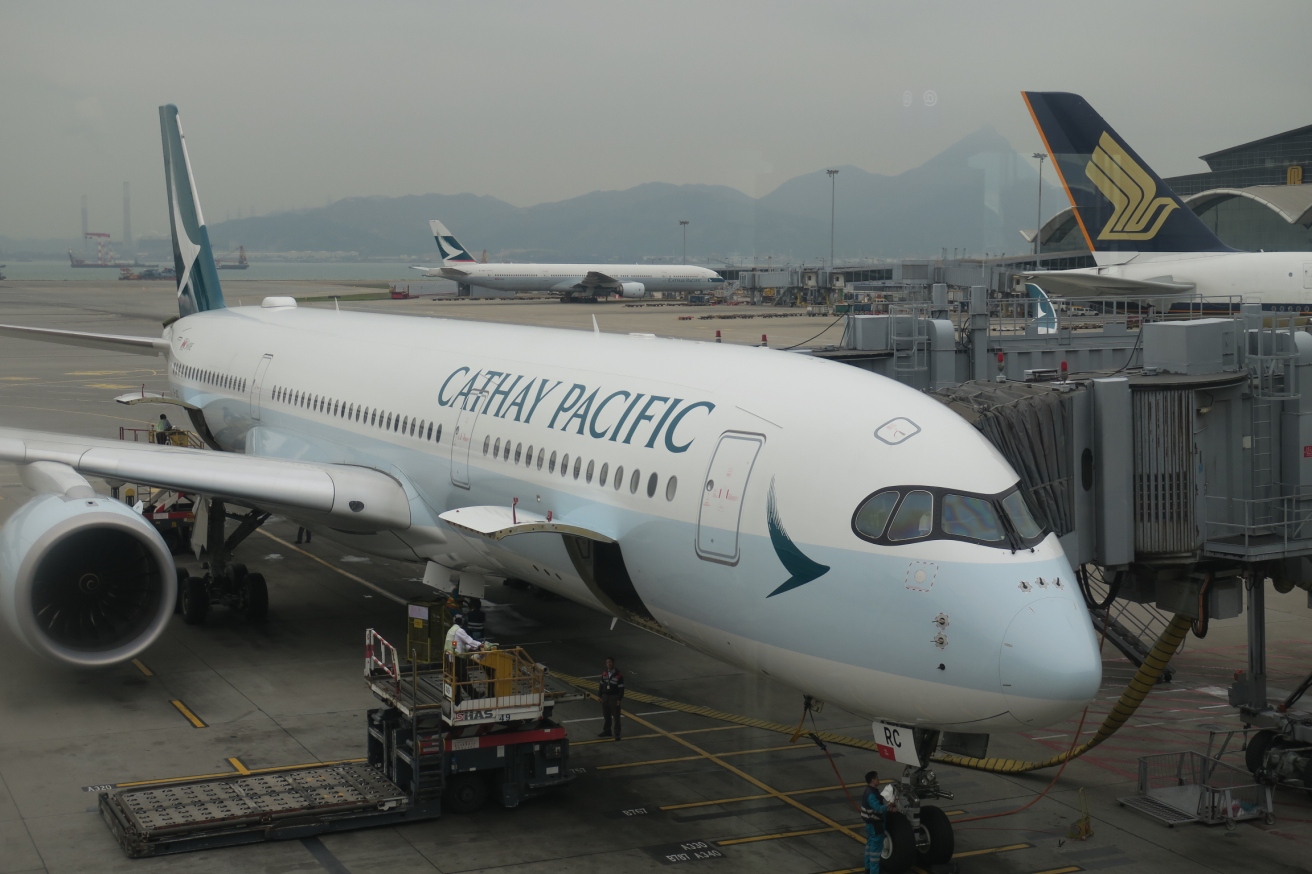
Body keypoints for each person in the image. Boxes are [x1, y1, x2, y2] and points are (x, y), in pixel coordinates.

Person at [444, 614, 483, 701]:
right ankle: (474, 695)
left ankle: (458, 698)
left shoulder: (452, 630)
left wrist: (472, 649)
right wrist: (480, 645)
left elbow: (460, 643)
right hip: (456, 658)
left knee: (455, 678)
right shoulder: (459, 630)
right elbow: (469, 640)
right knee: (464, 677)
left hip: (449, 657)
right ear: (462, 622)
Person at [861, 770, 888, 873]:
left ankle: (867, 869)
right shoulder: (872, 794)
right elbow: (879, 809)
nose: (878, 779)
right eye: (876, 777)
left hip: (870, 826)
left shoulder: (868, 790)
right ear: (872, 780)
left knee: (869, 848)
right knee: (875, 853)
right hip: (876, 826)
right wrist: (889, 805)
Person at [598, 656, 625, 740]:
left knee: (616, 716)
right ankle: (607, 730)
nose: (608, 664)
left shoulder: (618, 675)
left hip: (614, 697)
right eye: (607, 663)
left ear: (613, 663)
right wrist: (599, 695)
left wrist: (619, 699)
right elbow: (601, 685)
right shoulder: (604, 673)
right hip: (605, 697)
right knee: (606, 715)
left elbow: (621, 688)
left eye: (610, 662)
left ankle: (617, 733)